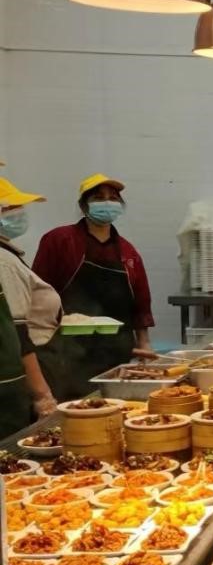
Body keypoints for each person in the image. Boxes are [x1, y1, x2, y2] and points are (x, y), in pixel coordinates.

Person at [32, 175, 157, 399]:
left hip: (117, 350)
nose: (107, 203)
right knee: (73, 408)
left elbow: (141, 301)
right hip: (68, 351)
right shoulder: (60, 240)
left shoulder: (127, 252)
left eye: (113, 198)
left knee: (118, 407)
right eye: (98, 198)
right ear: (83, 205)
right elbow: (38, 293)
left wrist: (144, 343)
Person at [0, 175, 61, 420]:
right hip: (22, 374)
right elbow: (19, 332)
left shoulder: (8, 255)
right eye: (12, 207)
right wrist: (42, 394)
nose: (20, 213)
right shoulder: (4, 262)